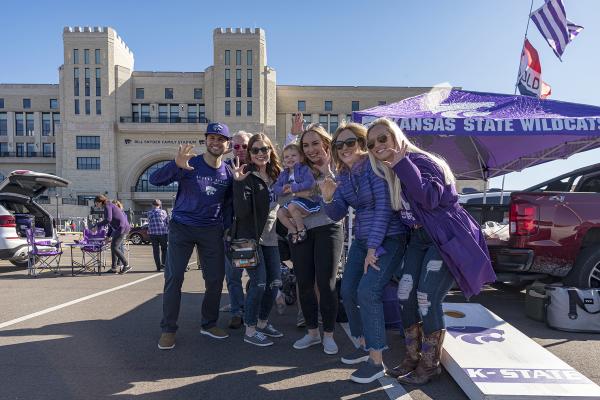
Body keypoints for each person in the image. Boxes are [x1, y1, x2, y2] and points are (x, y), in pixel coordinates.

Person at [366, 117, 496, 385]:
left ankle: (430, 364)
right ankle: (412, 357)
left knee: (426, 297)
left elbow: (428, 198)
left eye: (382, 138)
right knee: (404, 294)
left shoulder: (422, 162)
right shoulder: (390, 172)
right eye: (371, 143)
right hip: (418, 239)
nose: (377, 145)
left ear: (396, 137)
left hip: (445, 237)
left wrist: (403, 164)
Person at [319, 121, 407, 384]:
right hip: (362, 240)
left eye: (350, 142)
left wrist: (372, 248)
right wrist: (327, 197)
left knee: (368, 292)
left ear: (361, 143)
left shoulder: (374, 167)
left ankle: (376, 361)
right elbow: (336, 214)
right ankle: (364, 342)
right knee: (346, 290)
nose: (344, 148)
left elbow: (384, 208)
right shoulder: (343, 176)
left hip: (388, 239)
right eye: (339, 145)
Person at [151, 122, 233, 350]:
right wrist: (175, 166)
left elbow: (228, 205)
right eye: (212, 138)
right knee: (174, 277)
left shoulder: (227, 172)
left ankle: (208, 324)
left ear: (227, 145)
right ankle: (168, 329)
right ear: (206, 141)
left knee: (216, 280)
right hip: (182, 228)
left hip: (212, 231)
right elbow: (155, 180)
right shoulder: (190, 164)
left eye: (221, 139)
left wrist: (226, 228)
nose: (216, 142)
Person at [288, 121, 344, 356]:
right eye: (306, 145)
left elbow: (340, 195)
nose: (311, 149)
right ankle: (312, 333)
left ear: (326, 145)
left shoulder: (340, 167)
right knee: (304, 283)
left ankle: (329, 335)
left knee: (326, 283)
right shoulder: (299, 169)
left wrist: (327, 169)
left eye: (315, 144)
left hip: (329, 229)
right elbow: (286, 156)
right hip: (302, 231)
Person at [230, 133, 283, 347]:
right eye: (255, 150)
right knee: (259, 283)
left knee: (275, 282)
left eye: (264, 149)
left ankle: (262, 323)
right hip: (250, 238)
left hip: (271, 237)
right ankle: (250, 330)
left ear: (271, 151)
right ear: (249, 155)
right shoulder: (246, 176)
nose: (261, 153)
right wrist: (238, 184)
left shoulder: (277, 175)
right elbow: (241, 212)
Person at [223, 130, 253, 329]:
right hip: (230, 231)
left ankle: (253, 310)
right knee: (233, 276)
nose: (241, 150)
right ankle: (237, 311)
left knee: (258, 276)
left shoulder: (259, 166)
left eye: (245, 146)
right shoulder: (224, 169)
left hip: (253, 231)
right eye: (236, 146)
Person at [273, 143, 320, 244]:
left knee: (291, 206)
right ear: (283, 160)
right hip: (295, 202)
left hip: (308, 201)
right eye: (286, 157)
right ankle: (293, 230)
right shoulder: (284, 174)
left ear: (301, 158)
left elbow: (310, 183)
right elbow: (275, 188)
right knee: (280, 213)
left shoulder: (305, 169)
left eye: (293, 155)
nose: (290, 158)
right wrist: (282, 189)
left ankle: (301, 229)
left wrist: (293, 188)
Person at [94, 195, 131, 274]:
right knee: (114, 247)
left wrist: (97, 225)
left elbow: (108, 219)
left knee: (114, 247)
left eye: (96, 204)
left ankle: (126, 265)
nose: (96, 206)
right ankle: (114, 268)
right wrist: (108, 236)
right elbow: (111, 223)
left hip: (122, 228)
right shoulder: (108, 205)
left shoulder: (107, 206)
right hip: (120, 228)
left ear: (100, 202)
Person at [148, 199, 169, 272]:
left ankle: (158, 267)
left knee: (156, 251)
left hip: (153, 234)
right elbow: (167, 222)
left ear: (152, 205)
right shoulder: (163, 212)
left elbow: (149, 222)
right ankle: (164, 265)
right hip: (163, 233)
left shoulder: (149, 213)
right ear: (159, 205)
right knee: (164, 249)